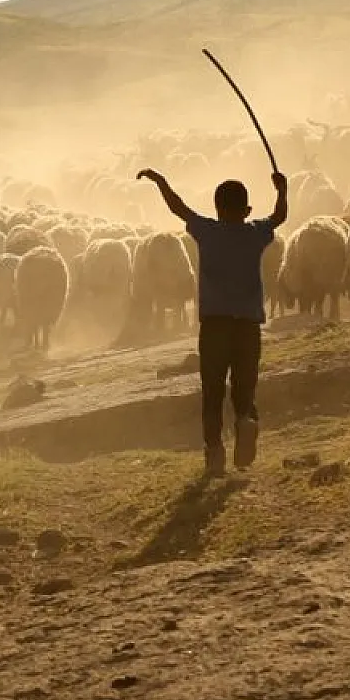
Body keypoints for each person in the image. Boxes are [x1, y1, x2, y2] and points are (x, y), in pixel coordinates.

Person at [136, 167, 288, 477]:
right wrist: (282, 190)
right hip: (247, 327)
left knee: (213, 391)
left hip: (215, 327)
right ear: (247, 210)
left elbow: (179, 208)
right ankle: (246, 420)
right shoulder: (255, 233)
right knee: (245, 387)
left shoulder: (207, 231)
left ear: (217, 209)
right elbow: (279, 217)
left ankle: (214, 451)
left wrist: (160, 181)